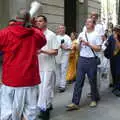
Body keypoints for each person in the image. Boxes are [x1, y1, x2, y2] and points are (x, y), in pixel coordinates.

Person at [0, 8, 46, 120]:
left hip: (10, 79)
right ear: (29, 20)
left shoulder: (4, 33)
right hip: (29, 79)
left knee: (7, 111)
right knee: (29, 112)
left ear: (16, 18)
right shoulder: (35, 34)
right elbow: (42, 41)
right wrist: (33, 26)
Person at [66, 18, 101, 111]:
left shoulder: (96, 35)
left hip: (92, 60)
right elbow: (77, 48)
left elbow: (98, 48)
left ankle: (94, 99)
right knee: (78, 81)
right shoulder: (82, 34)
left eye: (89, 22)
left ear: (93, 24)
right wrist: (79, 43)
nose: (87, 23)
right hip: (81, 59)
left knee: (92, 81)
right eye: (86, 22)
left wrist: (88, 44)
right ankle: (75, 102)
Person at [36, 15, 59, 120]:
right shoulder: (36, 34)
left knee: (45, 89)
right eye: (37, 21)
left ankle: (44, 111)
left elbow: (55, 51)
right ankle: (48, 105)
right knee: (42, 89)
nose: (38, 23)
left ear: (45, 22)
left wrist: (42, 51)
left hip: (49, 67)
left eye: (40, 21)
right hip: (39, 66)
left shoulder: (51, 35)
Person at [104, 25, 120, 97]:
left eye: (117, 30)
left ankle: (117, 88)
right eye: (115, 30)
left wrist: (116, 39)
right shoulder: (111, 37)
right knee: (114, 72)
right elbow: (107, 45)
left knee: (118, 72)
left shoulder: (117, 37)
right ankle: (115, 86)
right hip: (113, 57)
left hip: (119, 57)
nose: (116, 32)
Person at [55, 25, 72, 92]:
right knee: (58, 70)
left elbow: (70, 47)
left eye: (62, 28)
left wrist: (65, 47)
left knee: (63, 70)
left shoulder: (67, 37)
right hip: (58, 56)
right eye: (60, 28)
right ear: (58, 30)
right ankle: (59, 83)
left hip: (65, 55)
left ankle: (62, 86)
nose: (61, 29)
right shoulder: (56, 37)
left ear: (64, 29)